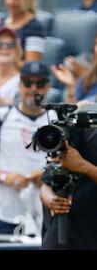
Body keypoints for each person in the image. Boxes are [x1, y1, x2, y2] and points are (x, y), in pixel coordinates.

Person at [0, 62, 54, 235]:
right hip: (5, 213)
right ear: (19, 84)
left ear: (48, 86)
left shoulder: (56, 120)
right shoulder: (1, 116)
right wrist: (5, 177)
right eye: (27, 83)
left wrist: (48, 175)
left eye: (40, 84)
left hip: (46, 212)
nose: (34, 89)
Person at [40, 105, 97, 249]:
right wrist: (52, 201)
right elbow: (45, 186)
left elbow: (80, 165)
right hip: (62, 231)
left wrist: (84, 166)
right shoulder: (77, 133)